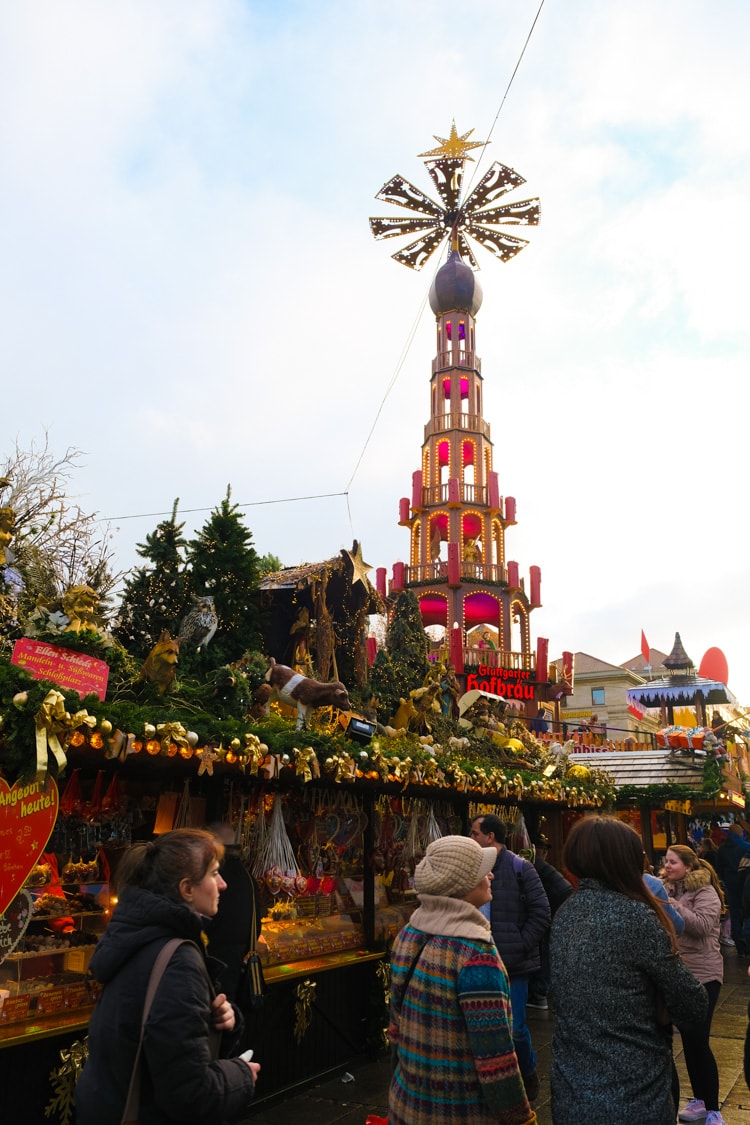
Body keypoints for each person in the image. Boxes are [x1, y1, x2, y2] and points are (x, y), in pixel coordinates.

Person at [75, 829, 259, 1125]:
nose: (223, 884)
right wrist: (240, 1074)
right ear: (187, 889)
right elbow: (190, 1093)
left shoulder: (132, 937)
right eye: (214, 874)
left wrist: (222, 1023)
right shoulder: (178, 961)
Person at [549, 816, 708, 1125]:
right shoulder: (636, 917)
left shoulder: (567, 911)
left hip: (571, 1092)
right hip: (633, 1094)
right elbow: (693, 1006)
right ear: (627, 860)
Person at [388, 835, 536, 1125]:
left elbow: (396, 1028)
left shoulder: (407, 935)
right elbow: (496, 1063)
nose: (490, 875)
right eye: (482, 871)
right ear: (462, 886)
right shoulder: (476, 955)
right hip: (462, 1113)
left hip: (407, 1105)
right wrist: (522, 1119)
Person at [470, 814, 550, 1101]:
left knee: (514, 1028)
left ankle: (527, 1074)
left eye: (475, 833)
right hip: (478, 959)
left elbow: (542, 913)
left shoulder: (520, 867)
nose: (472, 838)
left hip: (513, 964)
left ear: (491, 837)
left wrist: (519, 945)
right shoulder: (472, 867)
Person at [662, 844, 727, 1125]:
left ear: (688, 866)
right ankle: (699, 1102)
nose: (667, 867)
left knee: (698, 1042)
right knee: (687, 1042)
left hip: (704, 976)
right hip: (679, 973)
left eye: (673, 862)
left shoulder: (706, 891)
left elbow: (700, 926)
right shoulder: (669, 889)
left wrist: (671, 906)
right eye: (665, 861)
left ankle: (712, 1109)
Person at [207, 821, 262, 1004]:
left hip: (207, 974)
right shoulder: (249, 879)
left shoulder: (207, 876)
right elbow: (255, 928)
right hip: (237, 974)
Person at [527, 837, 573, 1009]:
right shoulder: (540, 867)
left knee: (546, 947)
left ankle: (540, 992)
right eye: (542, 849)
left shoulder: (533, 866)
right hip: (556, 903)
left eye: (544, 849)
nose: (544, 852)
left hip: (555, 905)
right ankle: (541, 991)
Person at [715, 822, 750, 953]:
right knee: (746, 912)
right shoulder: (746, 847)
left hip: (731, 884)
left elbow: (718, 868)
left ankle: (740, 946)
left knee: (734, 914)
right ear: (740, 833)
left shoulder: (722, 848)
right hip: (745, 885)